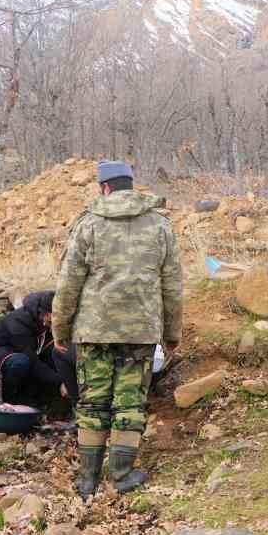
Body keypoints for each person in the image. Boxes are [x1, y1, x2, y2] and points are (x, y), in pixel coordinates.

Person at [51, 160, 184, 498]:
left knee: (93, 403)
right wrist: (172, 334)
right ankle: (122, 475)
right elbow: (172, 285)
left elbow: (68, 284)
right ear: (130, 185)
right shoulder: (160, 225)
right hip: (140, 332)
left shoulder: (88, 224)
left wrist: (60, 328)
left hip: (95, 332)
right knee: (129, 403)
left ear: (105, 188)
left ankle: (87, 481)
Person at [0, 290, 79, 410]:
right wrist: (61, 382)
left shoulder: (42, 320)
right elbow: (33, 361)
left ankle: (41, 401)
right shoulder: (18, 323)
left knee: (56, 351)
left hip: (20, 356)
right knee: (21, 362)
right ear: (47, 314)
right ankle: (10, 399)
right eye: (57, 316)